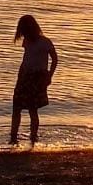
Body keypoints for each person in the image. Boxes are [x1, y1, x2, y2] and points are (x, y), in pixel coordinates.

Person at [10, 14, 58, 145]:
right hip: (25, 76)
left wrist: (49, 75)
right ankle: (13, 137)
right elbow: (26, 59)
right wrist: (19, 76)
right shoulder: (27, 41)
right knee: (16, 107)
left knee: (32, 108)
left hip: (37, 77)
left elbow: (55, 59)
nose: (23, 34)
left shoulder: (45, 42)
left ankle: (33, 136)